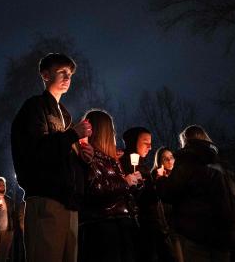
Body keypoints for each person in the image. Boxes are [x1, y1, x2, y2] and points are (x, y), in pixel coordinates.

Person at [10, 53, 93, 262]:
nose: (67, 78)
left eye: (70, 74)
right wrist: (72, 135)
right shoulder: (35, 108)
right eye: (62, 72)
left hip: (68, 203)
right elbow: (36, 152)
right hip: (46, 200)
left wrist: (84, 158)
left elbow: (65, 160)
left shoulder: (65, 116)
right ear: (45, 75)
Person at [158, 125, 235, 262]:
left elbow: (169, 192)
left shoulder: (186, 161)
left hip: (197, 232)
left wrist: (160, 180)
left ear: (185, 141)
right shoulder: (220, 161)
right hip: (224, 231)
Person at [78, 109, 140, 262]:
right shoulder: (89, 157)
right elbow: (97, 190)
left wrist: (134, 185)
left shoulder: (109, 159)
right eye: (111, 130)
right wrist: (125, 182)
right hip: (104, 226)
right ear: (104, 131)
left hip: (118, 224)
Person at [119, 126, 160, 262]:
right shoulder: (121, 163)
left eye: (150, 143)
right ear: (132, 142)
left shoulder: (143, 165)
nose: (150, 147)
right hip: (136, 225)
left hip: (150, 224)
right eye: (145, 142)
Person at [151, 147, 182, 262]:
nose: (169, 161)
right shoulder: (156, 178)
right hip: (166, 223)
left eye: (171, 158)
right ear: (160, 162)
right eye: (165, 159)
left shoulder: (179, 175)